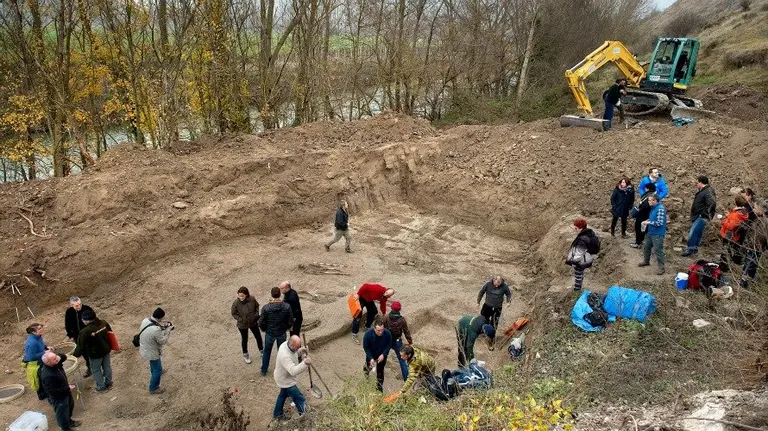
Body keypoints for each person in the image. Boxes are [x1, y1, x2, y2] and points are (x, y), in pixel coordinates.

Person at [271, 335, 310, 423]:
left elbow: (293, 353)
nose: (297, 349)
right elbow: (293, 371)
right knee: (299, 398)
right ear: (291, 345)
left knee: (283, 395)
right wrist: (304, 363)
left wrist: (300, 351)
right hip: (285, 380)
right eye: (297, 348)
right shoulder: (285, 355)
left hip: (282, 377)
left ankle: (277, 414)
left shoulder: (287, 344)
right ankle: (303, 415)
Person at [72, 310, 113, 393]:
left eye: (83, 320)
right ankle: (108, 383)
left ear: (87, 320)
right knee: (107, 366)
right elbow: (110, 332)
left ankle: (101, 387)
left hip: (95, 354)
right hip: (106, 349)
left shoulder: (85, 331)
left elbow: (80, 346)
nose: (82, 321)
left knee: (96, 369)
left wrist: (75, 355)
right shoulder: (104, 323)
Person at [39, 351, 81, 431]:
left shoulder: (55, 363)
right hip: (58, 398)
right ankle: (65, 428)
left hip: (65, 391)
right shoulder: (47, 375)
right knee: (62, 413)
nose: (57, 359)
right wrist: (67, 388)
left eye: (56, 357)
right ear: (48, 362)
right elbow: (52, 391)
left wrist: (54, 353)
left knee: (70, 406)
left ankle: (69, 421)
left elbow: (64, 357)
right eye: (54, 358)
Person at [259, 287, 293, 376]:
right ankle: (280, 370)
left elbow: (261, 322)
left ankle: (264, 369)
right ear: (280, 294)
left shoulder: (266, 308)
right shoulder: (286, 306)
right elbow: (291, 320)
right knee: (282, 352)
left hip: (270, 333)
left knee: (267, 351)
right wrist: (286, 327)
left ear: (271, 295)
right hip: (281, 332)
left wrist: (264, 329)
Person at [138, 308, 173, 394]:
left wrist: (162, 327)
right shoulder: (155, 330)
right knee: (156, 369)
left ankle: (159, 371)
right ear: (159, 318)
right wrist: (168, 330)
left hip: (145, 348)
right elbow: (163, 341)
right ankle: (153, 388)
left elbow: (154, 330)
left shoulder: (145, 320)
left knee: (154, 365)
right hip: (152, 351)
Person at [682, 176, 717, 257]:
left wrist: (703, 214)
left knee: (693, 233)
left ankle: (689, 250)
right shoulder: (705, 191)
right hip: (701, 215)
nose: (696, 184)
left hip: (702, 216)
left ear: (701, 183)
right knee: (697, 233)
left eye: (697, 183)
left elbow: (711, 204)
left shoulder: (708, 191)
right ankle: (693, 250)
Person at [566, 218, 601, 291]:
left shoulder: (582, 239)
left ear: (579, 228)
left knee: (578, 274)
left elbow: (579, 252)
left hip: (582, 260)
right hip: (587, 257)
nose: (574, 230)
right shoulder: (589, 234)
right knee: (580, 274)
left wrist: (574, 262)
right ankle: (578, 287)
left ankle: (577, 289)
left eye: (575, 228)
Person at [231, 287, 263, 364]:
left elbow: (256, 306)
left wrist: (256, 315)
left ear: (246, 295)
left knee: (258, 336)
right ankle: (245, 355)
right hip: (242, 325)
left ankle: (262, 351)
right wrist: (241, 319)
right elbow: (233, 313)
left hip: (253, 322)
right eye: (239, 296)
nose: (241, 298)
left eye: (242, 296)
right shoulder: (236, 303)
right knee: (244, 339)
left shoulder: (252, 299)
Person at [718, 195, 750, 272]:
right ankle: (727, 265)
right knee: (729, 250)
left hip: (729, 235)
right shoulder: (743, 212)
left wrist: (723, 221)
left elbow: (730, 226)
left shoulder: (736, 214)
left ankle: (723, 267)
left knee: (725, 251)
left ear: (736, 202)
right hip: (735, 235)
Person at [740, 198, 767, 289]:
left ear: (761, 209)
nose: (753, 210)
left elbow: (759, 237)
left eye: (755, 208)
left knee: (749, 266)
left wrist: (749, 246)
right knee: (749, 266)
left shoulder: (764, 222)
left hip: (754, 249)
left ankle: (744, 285)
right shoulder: (758, 219)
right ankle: (748, 282)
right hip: (753, 248)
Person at [64, 297, 94, 377]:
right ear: (71, 305)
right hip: (78, 337)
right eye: (76, 305)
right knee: (84, 353)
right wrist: (70, 334)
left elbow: (94, 320)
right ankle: (90, 368)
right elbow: (67, 324)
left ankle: (96, 367)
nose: (79, 306)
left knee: (93, 351)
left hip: (89, 335)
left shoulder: (87, 309)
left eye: (80, 304)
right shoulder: (69, 312)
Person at [638, 193, 667, 275]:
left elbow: (659, 223)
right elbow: (652, 218)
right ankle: (646, 261)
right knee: (646, 247)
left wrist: (648, 222)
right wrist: (647, 221)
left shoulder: (660, 209)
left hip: (658, 233)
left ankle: (661, 267)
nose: (649, 202)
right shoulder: (653, 208)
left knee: (658, 250)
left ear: (655, 200)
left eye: (650, 200)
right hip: (651, 232)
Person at [384, 300, 412, 381]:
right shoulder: (402, 320)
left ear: (391, 308)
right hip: (397, 341)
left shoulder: (386, 317)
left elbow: (383, 329)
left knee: (384, 355)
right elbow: (406, 332)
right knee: (402, 361)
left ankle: (379, 370)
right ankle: (406, 380)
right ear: (399, 309)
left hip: (387, 340)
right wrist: (410, 342)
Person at [363, 316, 392, 392]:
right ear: (374, 328)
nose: (380, 332)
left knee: (380, 371)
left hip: (382, 355)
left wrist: (384, 354)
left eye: (382, 330)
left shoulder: (387, 333)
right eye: (378, 330)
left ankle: (379, 388)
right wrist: (371, 358)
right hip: (371, 354)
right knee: (368, 367)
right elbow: (366, 347)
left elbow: (389, 344)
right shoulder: (368, 334)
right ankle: (366, 375)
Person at [22, 323, 47, 394]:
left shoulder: (38, 336)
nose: (42, 329)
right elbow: (31, 357)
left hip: (40, 361)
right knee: (40, 382)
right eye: (39, 328)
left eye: (41, 327)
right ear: (33, 332)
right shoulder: (32, 342)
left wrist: (46, 347)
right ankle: (42, 395)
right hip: (35, 365)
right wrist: (44, 352)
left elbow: (41, 344)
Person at [631, 182, 656, 248]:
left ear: (648, 188)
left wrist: (639, 210)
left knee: (638, 228)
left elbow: (645, 206)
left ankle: (638, 243)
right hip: (647, 215)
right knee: (643, 228)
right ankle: (639, 240)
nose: (645, 189)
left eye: (646, 188)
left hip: (642, 215)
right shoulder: (653, 195)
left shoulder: (648, 196)